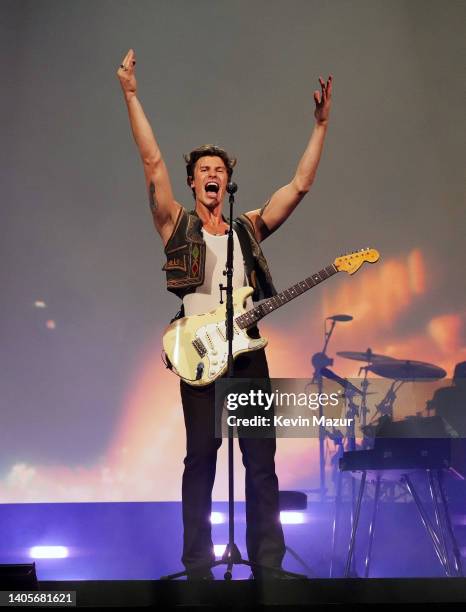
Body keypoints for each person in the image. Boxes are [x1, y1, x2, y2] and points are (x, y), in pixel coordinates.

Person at [117, 48, 332, 579]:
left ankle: (268, 565)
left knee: (261, 465)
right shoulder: (177, 225)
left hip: (250, 353)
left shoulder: (244, 228)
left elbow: (298, 188)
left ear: (226, 182)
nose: (212, 175)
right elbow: (151, 164)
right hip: (200, 356)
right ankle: (197, 566)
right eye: (203, 170)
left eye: (219, 170)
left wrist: (321, 127)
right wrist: (130, 95)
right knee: (201, 462)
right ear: (193, 182)